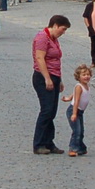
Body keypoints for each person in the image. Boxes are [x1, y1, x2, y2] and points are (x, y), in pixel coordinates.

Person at [31, 15, 71, 154]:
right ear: (55, 25)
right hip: (43, 78)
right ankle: (39, 143)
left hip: (54, 76)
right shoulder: (42, 37)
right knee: (46, 110)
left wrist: (59, 80)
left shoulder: (54, 39)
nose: (63, 32)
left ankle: (49, 142)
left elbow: (56, 61)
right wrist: (47, 78)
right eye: (63, 29)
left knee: (52, 111)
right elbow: (40, 58)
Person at [63, 64, 92, 157]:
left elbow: (74, 94)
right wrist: (74, 114)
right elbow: (77, 101)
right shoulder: (79, 86)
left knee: (81, 131)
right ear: (78, 77)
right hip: (74, 110)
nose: (86, 77)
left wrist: (69, 98)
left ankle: (81, 148)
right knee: (77, 131)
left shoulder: (85, 86)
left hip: (80, 112)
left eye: (88, 74)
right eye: (84, 75)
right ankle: (73, 148)